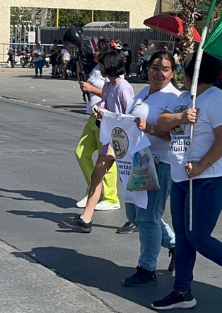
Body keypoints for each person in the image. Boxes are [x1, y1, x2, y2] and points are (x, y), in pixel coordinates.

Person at [150, 52, 222, 311]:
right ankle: (182, 290)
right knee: (184, 238)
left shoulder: (216, 100)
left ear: (190, 73)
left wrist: (201, 165)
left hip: (209, 179)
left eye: (183, 69)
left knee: (198, 236)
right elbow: (163, 122)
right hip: (180, 178)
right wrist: (182, 118)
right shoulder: (185, 99)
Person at [118, 51, 182, 284]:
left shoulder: (174, 98)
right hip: (136, 161)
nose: (159, 73)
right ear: (148, 69)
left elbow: (174, 136)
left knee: (147, 217)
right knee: (135, 213)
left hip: (158, 163)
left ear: (173, 73)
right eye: (155, 67)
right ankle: (174, 244)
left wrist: (150, 129)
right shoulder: (143, 93)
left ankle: (147, 268)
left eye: (165, 69)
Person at [63, 50, 134, 232]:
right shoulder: (110, 86)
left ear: (109, 65)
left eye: (102, 64)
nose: (100, 67)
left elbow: (130, 113)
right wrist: (100, 111)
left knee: (131, 181)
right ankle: (86, 219)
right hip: (110, 139)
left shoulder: (123, 87)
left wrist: (110, 116)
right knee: (97, 175)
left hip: (123, 140)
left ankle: (137, 219)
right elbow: (106, 104)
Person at [73, 45, 121, 212]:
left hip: (105, 120)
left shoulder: (112, 71)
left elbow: (111, 93)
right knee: (81, 153)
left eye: (97, 51)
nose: (94, 53)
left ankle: (110, 197)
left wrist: (91, 88)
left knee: (106, 158)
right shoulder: (96, 68)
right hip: (93, 117)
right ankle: (93, 189)